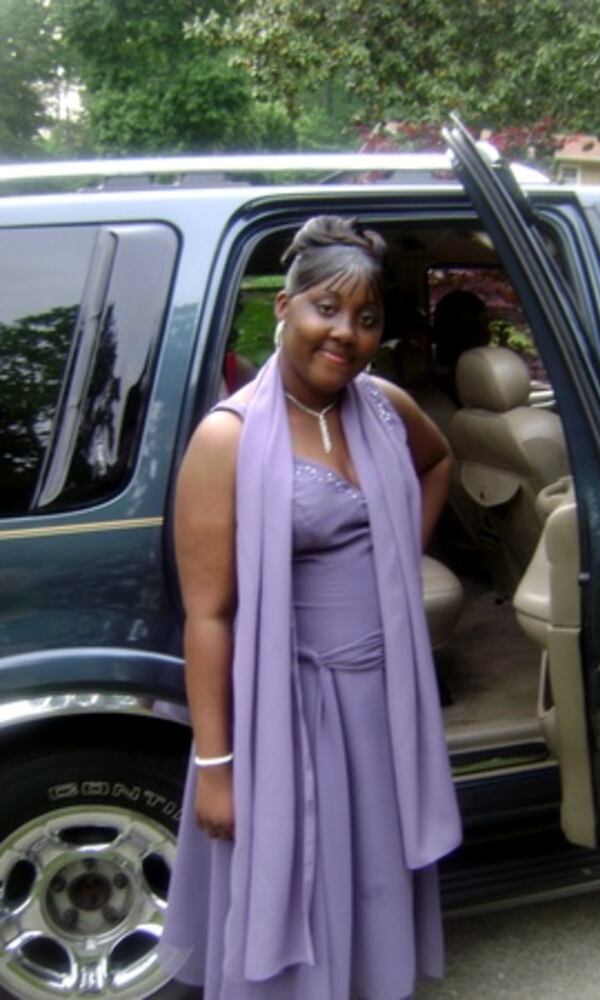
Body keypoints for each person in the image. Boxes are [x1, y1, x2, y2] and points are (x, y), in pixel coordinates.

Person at [159, 215, 462, 1000]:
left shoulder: (385, 406)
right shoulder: (227, 438)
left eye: (367, 318)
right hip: (288, 711)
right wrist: (216, 768)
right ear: (284, 307)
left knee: (370, 884)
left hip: (384, 703)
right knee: (294, 890)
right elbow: (207, 615)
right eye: (327, 308)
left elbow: (437, 462)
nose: (345, 334)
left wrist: (399, 558)